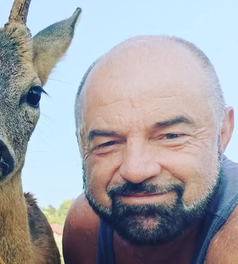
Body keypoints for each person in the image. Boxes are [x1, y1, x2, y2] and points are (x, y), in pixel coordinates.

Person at [63, 35, 236, 264]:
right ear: (81, 146)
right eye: (108, 143)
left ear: (222, 133)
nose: (135, 170)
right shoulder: (85, 230)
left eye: (171, 136)